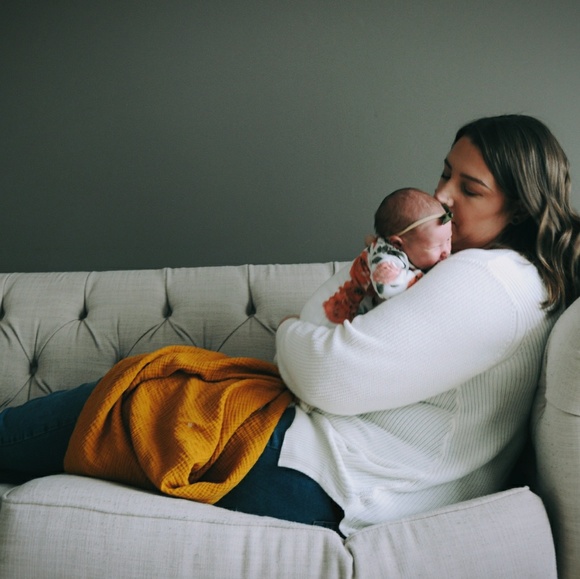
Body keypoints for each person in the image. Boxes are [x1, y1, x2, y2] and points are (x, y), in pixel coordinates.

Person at [1, 114, 580, 538]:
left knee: (142, 397)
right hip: (354, 477)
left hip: (336, 480)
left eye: (469, 188)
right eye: (445, 173)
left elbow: (327, 376)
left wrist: (289, 332)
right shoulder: (513, 280)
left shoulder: (488, 279)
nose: (441, 196)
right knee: (152, 389)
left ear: (520, 208)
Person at [300, 187, 452, 327]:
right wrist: (423, 279)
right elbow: (388, 287)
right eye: (436, 246)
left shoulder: (408, 252)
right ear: (397, 244)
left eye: (448, 239)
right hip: (321, 321)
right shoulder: (385, 255)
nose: (446, 251)